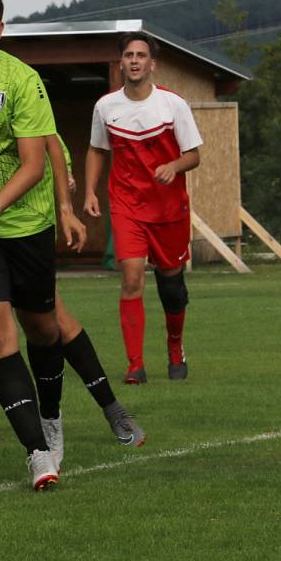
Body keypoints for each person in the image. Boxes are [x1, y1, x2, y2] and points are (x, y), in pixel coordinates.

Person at [0, 24, 146, 451]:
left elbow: (50, 147)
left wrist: (64, 208)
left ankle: (111, 407)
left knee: (48, 322)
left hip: (11, 224)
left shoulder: (8, 86)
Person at [84, 32, 202, 383]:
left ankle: (175, 348)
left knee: (171, 287)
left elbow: (194, 154)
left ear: (153, 63)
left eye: (141, 55)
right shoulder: (106, 107)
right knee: (131, 277)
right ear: (121, 62)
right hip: (126, 206)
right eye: (129, 55)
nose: (134, 60)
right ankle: (135, 365)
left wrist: (174, 166)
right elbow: (96, 150)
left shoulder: (173, 105)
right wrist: (90, 191)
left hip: (168, 210)